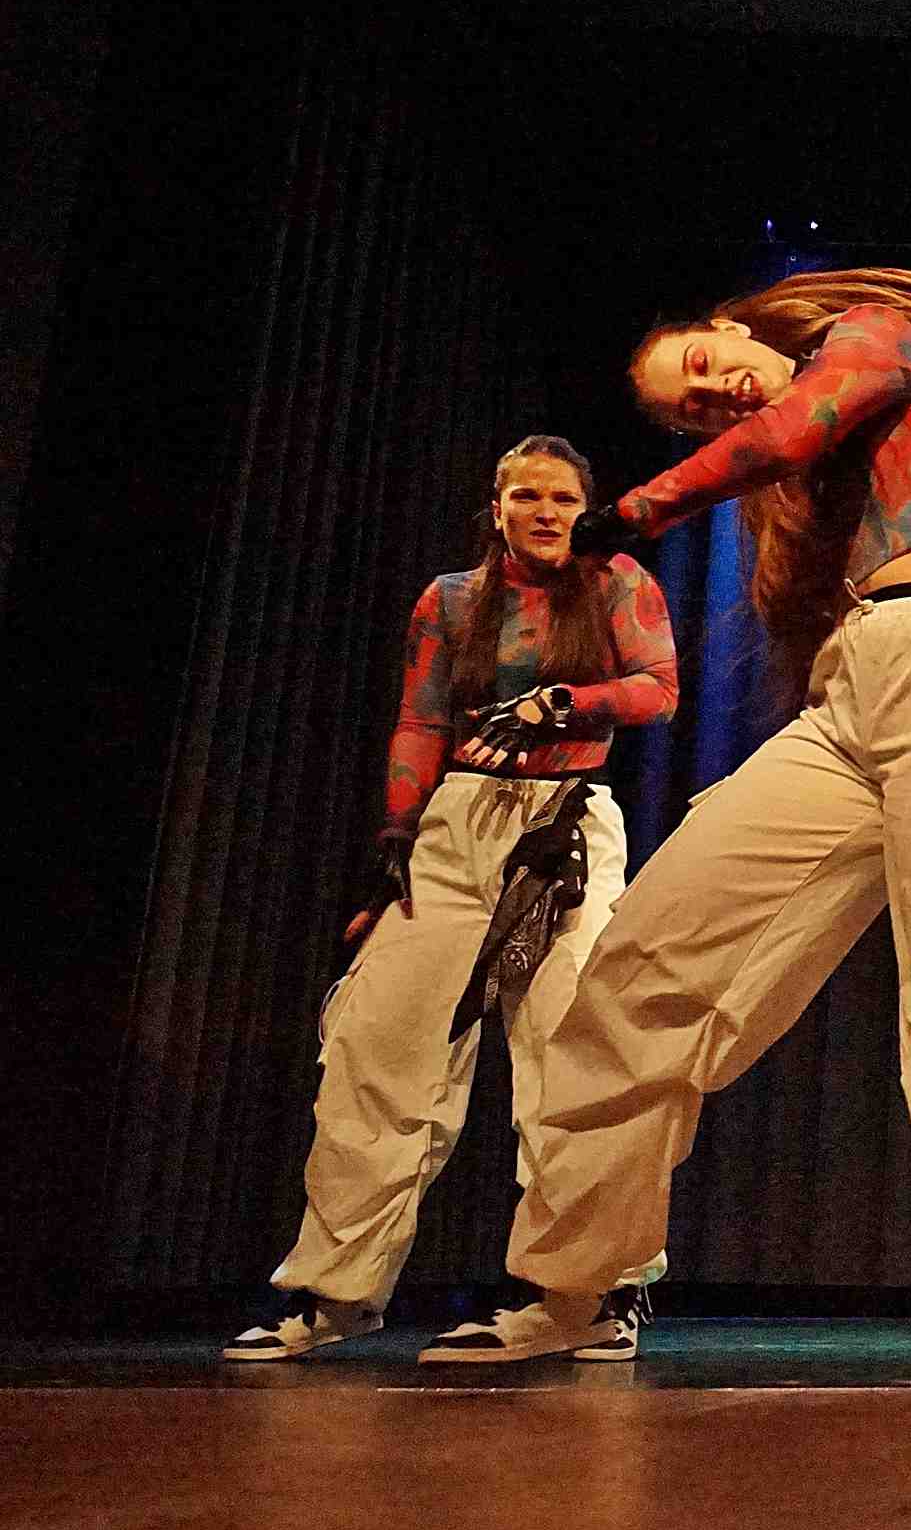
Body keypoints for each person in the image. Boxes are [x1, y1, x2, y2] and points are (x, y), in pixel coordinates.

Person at [433, 268, 911, 1397]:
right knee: (644, 964)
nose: (710, 396)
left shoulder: (875, 337)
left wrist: (631, 514)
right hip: (855, 686)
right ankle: (571, 1286)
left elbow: (789, 425)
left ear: (732, 326)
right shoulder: (805, 484)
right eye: (690, 410)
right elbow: (782, 449)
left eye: (702, 366)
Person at [226, 437, 676, 1361]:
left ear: (585, 506)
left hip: (564, 820)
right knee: (378, 1044)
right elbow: (421, 717)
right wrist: (397, 833)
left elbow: (658, 689)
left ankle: (593, 1291)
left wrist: (563, 703)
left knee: (571, 1049)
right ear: (497, 506)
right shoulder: (453, 599)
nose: (545, 512)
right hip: (457, 821)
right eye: (526, 496)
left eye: (562, 498)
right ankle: (335, 1290)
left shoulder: (616, 582)